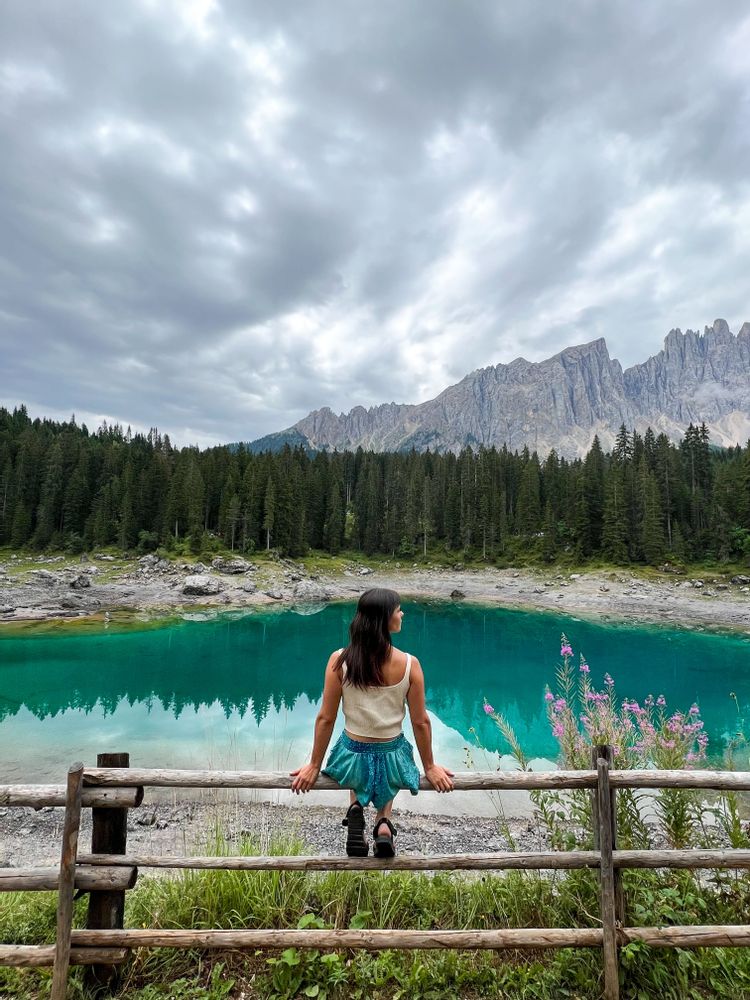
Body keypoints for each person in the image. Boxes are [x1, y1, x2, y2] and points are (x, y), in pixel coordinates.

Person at [290, 588, 454, 857]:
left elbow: (326, 718)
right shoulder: (410, 664)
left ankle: (356, 810)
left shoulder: (339, 660)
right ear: (384, 619)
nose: (402, 614)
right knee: (391, 753)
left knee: (356, 749)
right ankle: (383, 824)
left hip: (350, 756)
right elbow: (420, 721)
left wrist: (314, 765)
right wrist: (430, 766)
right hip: (392, 757)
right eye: (398, 610)